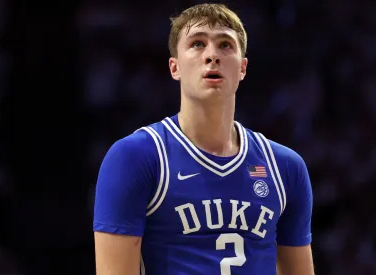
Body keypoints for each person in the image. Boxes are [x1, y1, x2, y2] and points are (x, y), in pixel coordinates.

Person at [93, 3, 315, 275]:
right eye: (197, 44)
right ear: (174, 67)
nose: (212, 55)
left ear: (243, 68)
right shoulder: (136, 157)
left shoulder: (285, 167)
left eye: (225, 45)